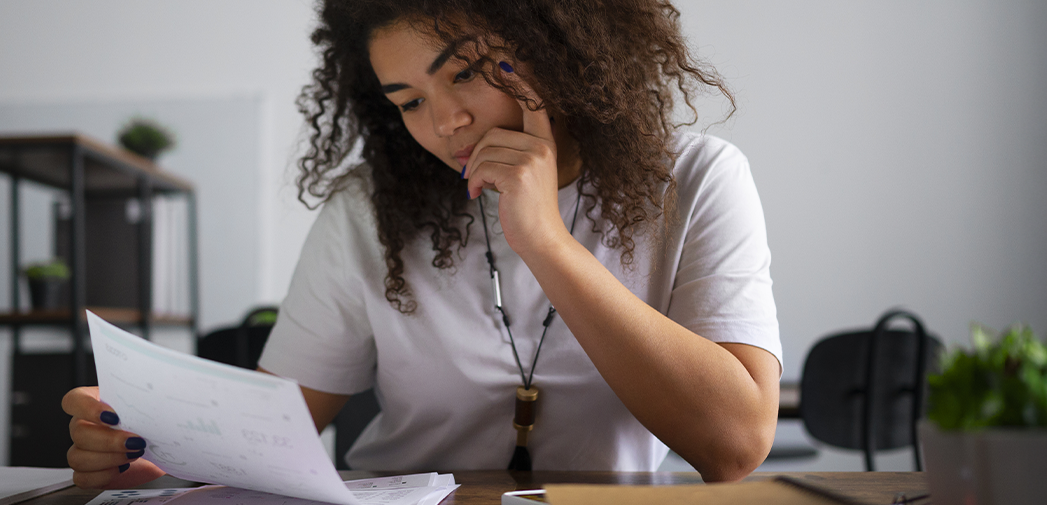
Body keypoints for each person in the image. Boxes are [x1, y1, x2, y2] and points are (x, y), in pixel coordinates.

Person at [63, 0, 780, 489]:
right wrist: (149, 439)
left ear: (557, 44)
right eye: (408, 101)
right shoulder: (368, 208)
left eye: (466, 71)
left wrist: (547, 244)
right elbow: (273, 424)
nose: (445, 122)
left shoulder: (693, 180)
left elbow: (735, 445)